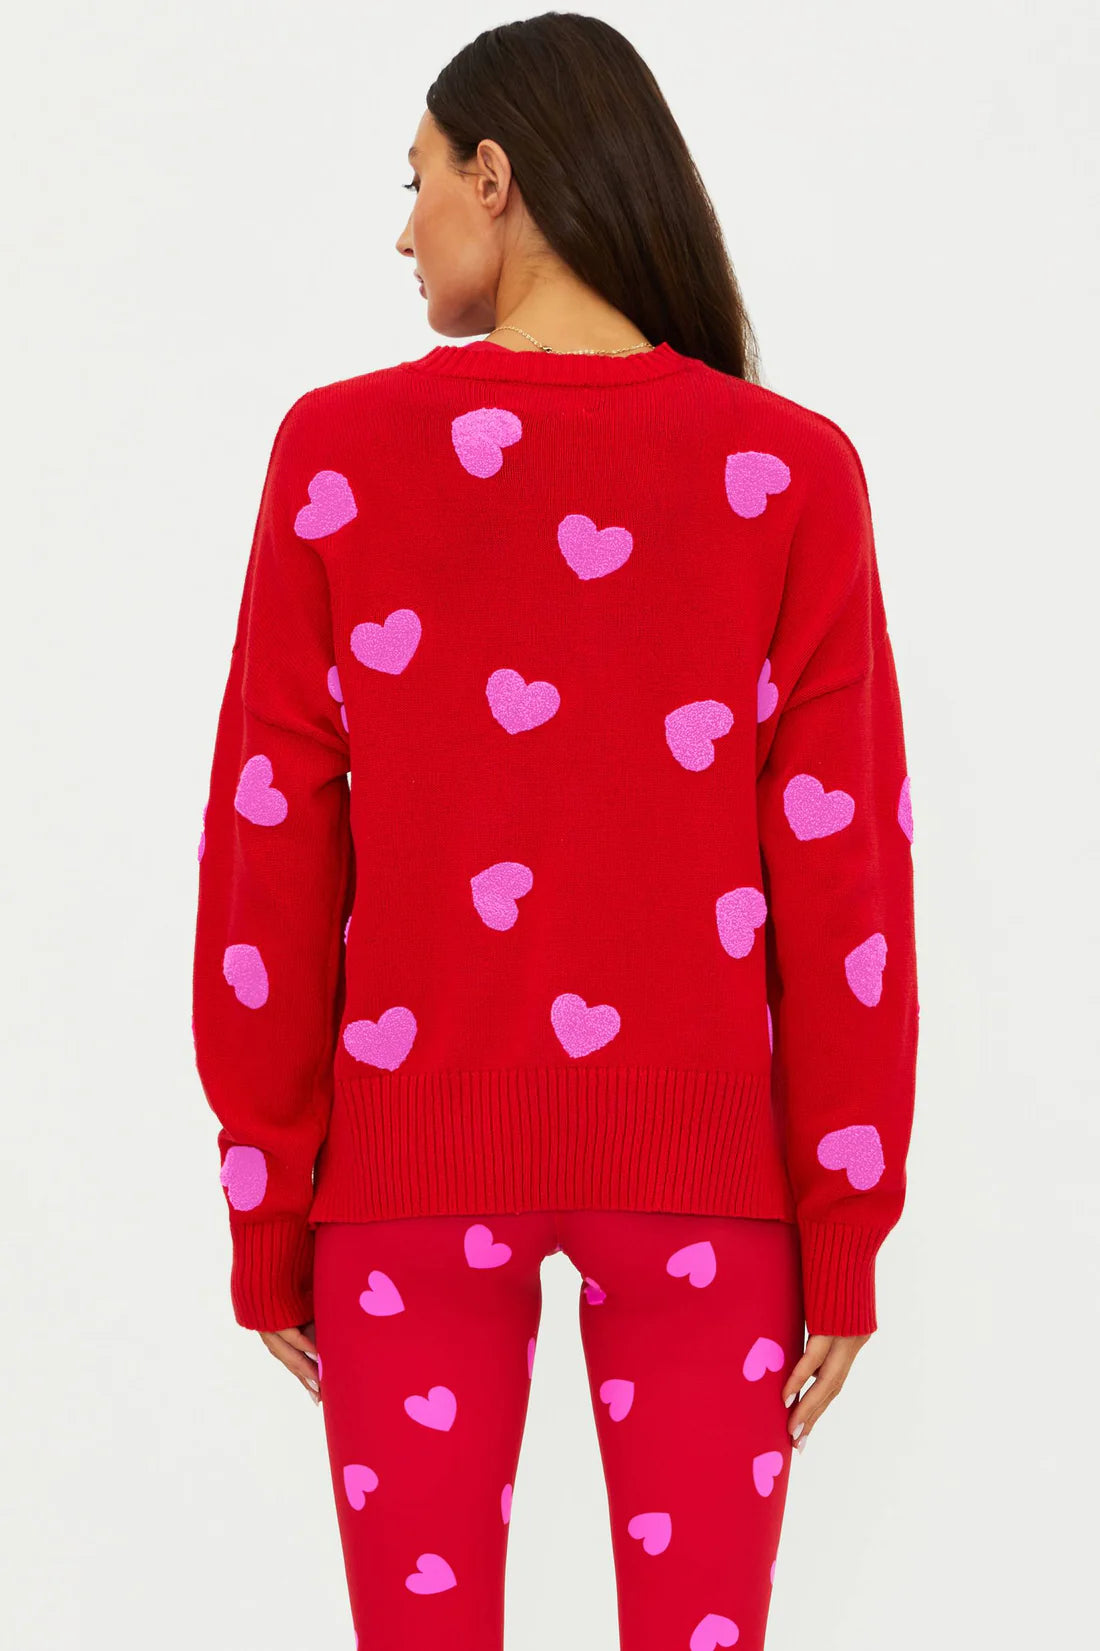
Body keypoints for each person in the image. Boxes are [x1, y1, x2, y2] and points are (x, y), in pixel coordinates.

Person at [191, 13, 918, 1650]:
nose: (404, 231)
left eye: (418, 180)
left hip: (403, 1187)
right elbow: (845, 881)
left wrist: (268, 1194)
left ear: (496, 178)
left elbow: (269, 856)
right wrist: (844, 1220)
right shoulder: (787, 474)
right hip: (710, 1196)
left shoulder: (336, 458)